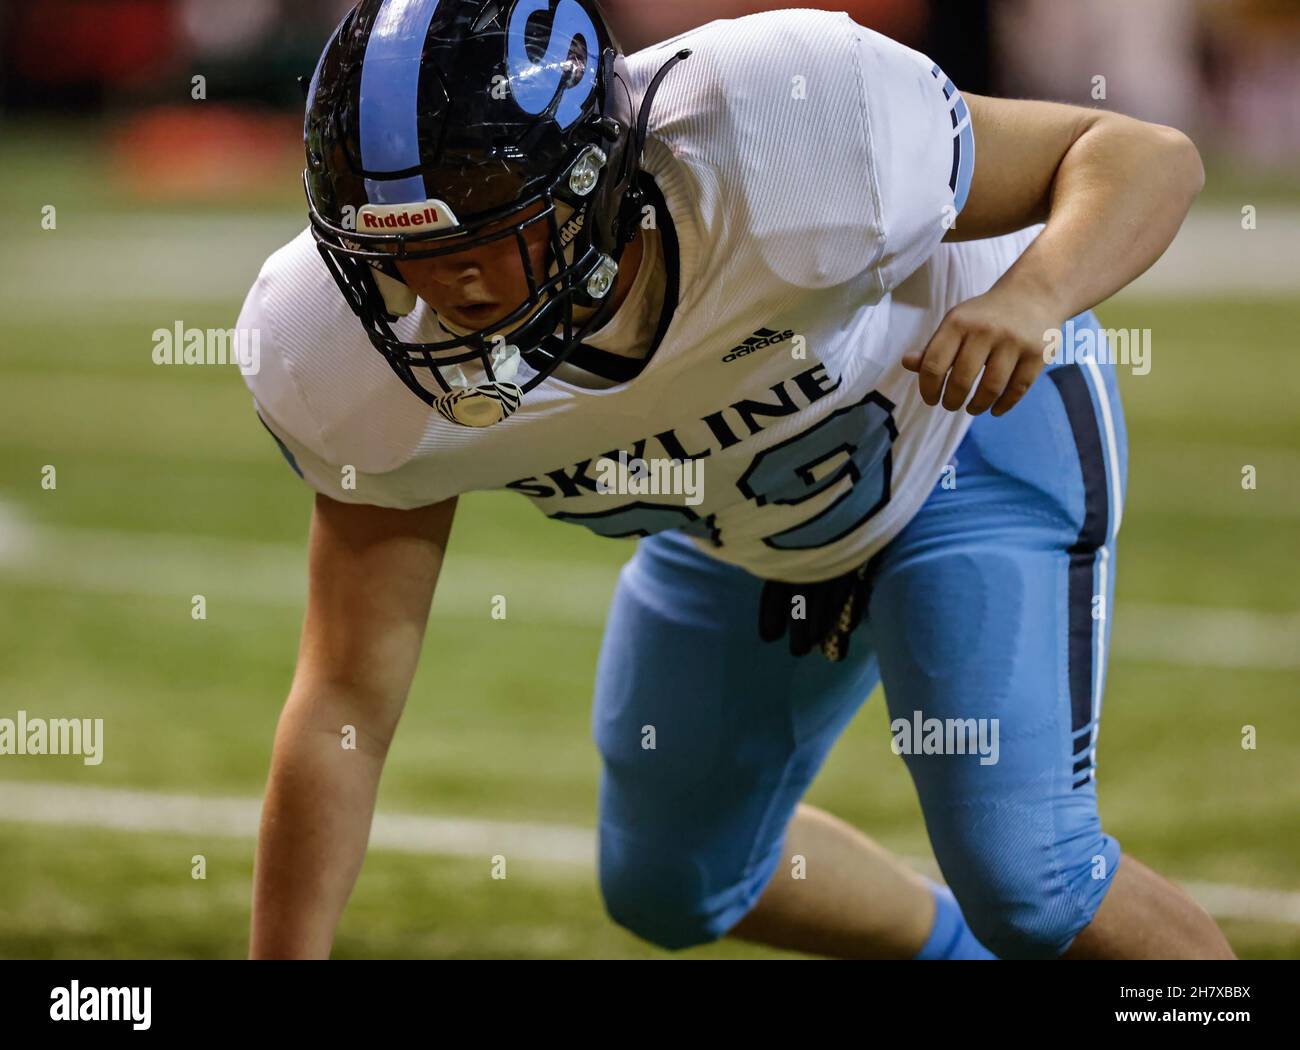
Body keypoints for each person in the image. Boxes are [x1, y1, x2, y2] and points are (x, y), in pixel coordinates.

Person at [241, 0, 1227, 959]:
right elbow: (343, 702)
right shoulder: (333, 349)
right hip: (748, 523)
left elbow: (1137, 154)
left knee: (1030, 879)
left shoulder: (787, 128)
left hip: (959, 437)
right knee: (672, 887)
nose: (438, 289)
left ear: (593, 181)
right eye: (397, 250)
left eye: (479, 231)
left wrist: (1033, 294)